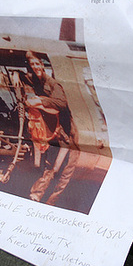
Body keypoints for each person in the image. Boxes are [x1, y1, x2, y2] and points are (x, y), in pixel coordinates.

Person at [20, 51, 80, 206]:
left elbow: (61, 104)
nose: (35, 67)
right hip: (54, 131)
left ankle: (51, 204)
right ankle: (36, 196)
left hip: (68, 133)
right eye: (32, 64)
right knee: (50, 167)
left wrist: (41, 101)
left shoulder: (53, 84)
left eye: (37, 64)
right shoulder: (33, 82)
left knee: (64, 174)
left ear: (42, 65)